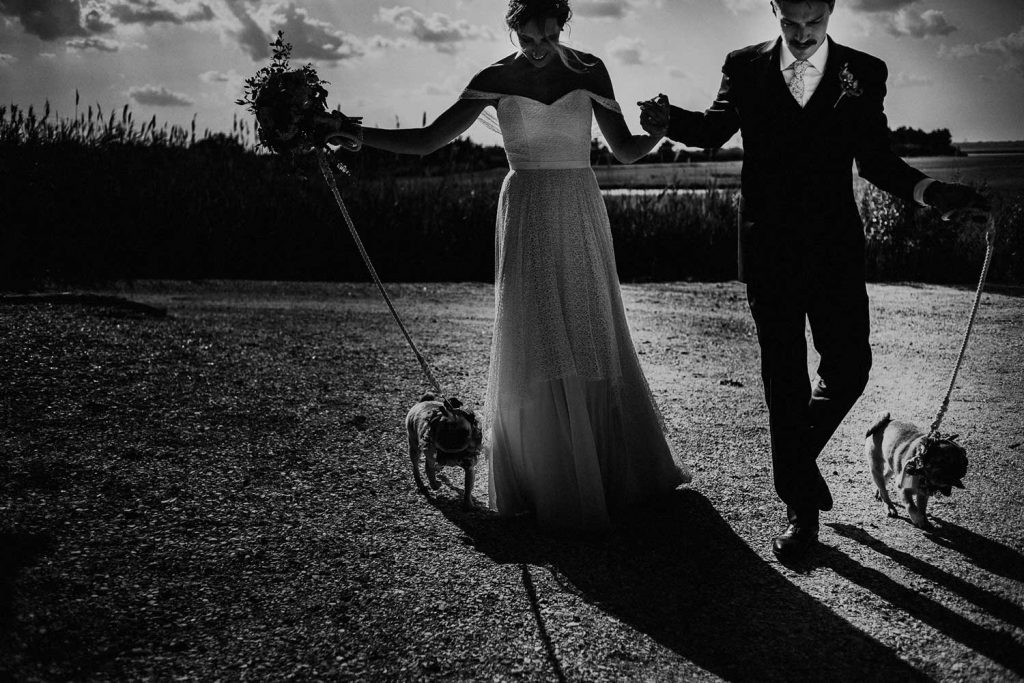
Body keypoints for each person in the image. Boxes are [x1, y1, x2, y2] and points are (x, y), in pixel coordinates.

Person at [639, 0, 988, 559]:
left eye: (814, 23)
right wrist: (666, 120)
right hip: (767, 248)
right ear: (774, 9)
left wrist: (934, 194)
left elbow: (877, 161)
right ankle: (801, 514)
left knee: (851, 368)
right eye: (790, 23)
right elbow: (711, 129)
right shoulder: (745, 65)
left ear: (830, 11)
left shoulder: (863, 71)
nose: (802, 36)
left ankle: (792, 467)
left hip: (835, 249)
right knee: (785, 377)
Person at [325, 0, 690, 532]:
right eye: (529, 37)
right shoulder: (494, 77)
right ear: (513, 28)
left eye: (548, 35)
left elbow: (627, 150)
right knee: (536, 333)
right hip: (527, 212)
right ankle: (548, 476)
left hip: (578, 206)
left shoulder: (589, 70)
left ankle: (607, 471)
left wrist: (661, 127)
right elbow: (429, 141)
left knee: (590, 326)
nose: (539, 47)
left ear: (562, 26)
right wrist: (351, 132)